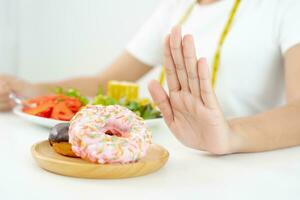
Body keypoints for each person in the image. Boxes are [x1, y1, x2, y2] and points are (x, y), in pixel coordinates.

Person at [1, 0, 300, 154]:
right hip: (182, 158)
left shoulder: (285, 6)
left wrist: (230, 135)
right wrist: (29, 88)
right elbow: (107, 82)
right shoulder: (176, 8)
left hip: (255, 161)